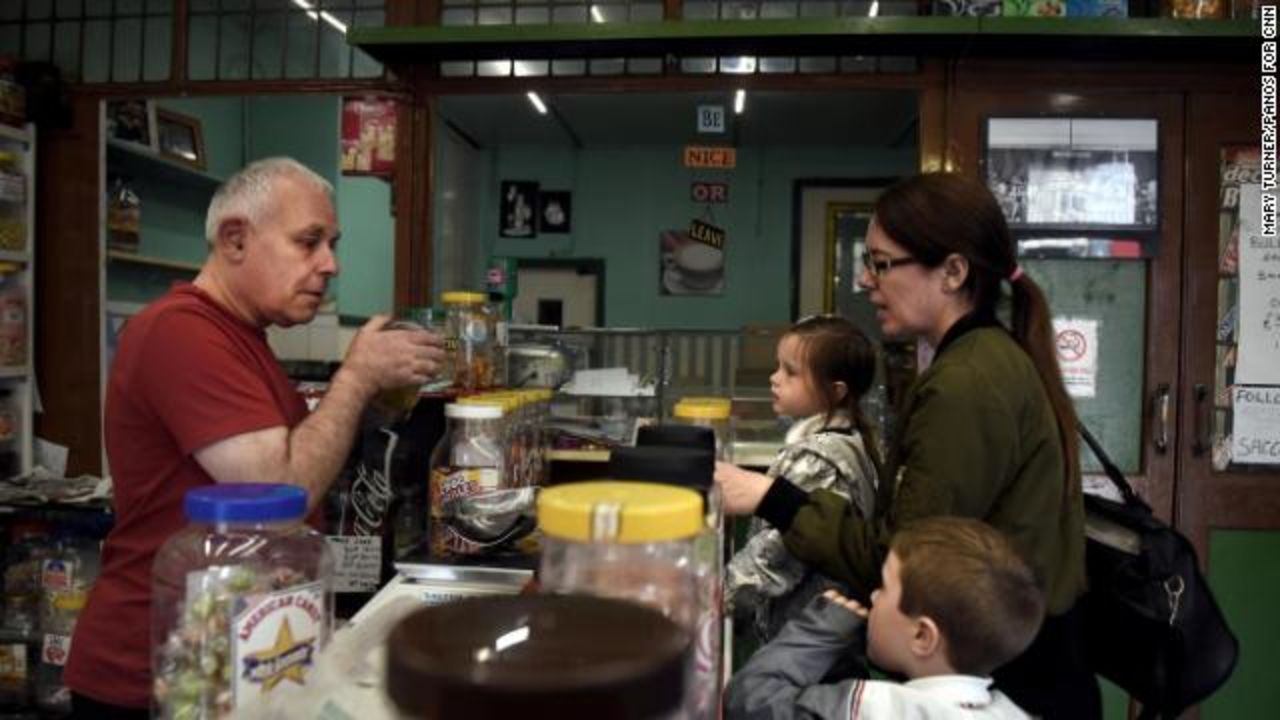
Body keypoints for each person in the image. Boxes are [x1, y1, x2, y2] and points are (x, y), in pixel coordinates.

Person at [64, 157, 445, 718]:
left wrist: (373, 399)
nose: (330, 265)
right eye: (309, 242)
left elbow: (295, 450)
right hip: (160, 673)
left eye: (331, 244)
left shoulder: (241, 335)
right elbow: (278, 487)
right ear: (236, 239)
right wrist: (357, 376)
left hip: (239, 654)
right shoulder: (182, 332)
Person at [715, 172, 1097, 718]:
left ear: (953, 271)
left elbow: (908, 557)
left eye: (881, 263)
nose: (867, 280)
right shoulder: (981, 360)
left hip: (1013, 682)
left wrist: (774, 497)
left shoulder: (966, 382)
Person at [725, 517, 1043, 720]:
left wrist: (819, 633)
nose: (874, 596)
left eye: (886, 587)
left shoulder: (881, 709)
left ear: (922, 636)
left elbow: (750, 700)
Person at [721, 315, 880, 643]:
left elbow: (774, 557)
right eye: (778, 367)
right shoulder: (848, 440)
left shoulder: (816, 459)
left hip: (810, 640)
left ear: (835, 391)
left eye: (790, 372)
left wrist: (715, 596)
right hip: (829, 633)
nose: (774, 378)